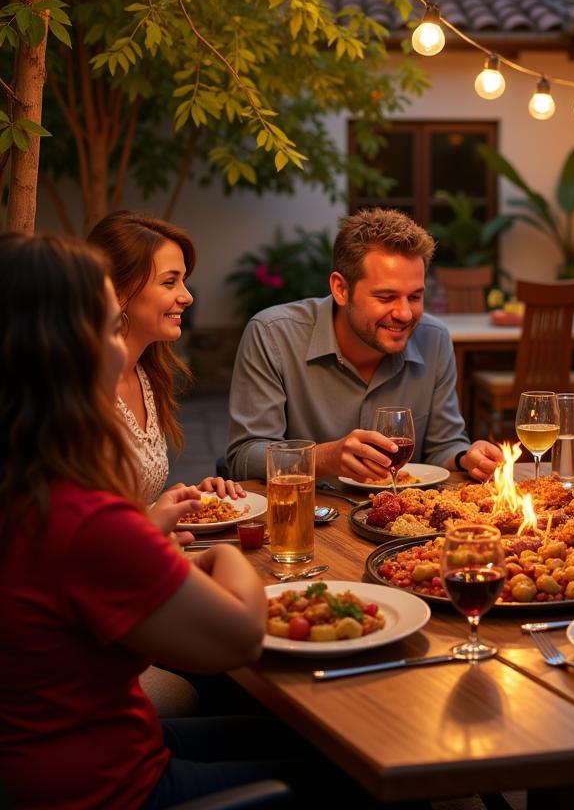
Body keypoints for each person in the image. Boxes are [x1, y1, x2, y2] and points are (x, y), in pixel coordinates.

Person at [0, 232, 285, 809]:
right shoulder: (79, 512)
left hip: (48, 754)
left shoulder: (22, 483)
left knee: (299, 735)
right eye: (107, 327)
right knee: (355, 775)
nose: (118, 346)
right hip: (111, 786)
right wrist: (221, 553)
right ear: (64, 350)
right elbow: (240, 636)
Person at [227, 207, 502, 482]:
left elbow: (444, 445)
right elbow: (245, 456)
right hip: (309, 515)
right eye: (386, 297)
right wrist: (323, 458)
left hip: (400, 518)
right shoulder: (273, 334)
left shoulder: (435, 338)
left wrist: (465, 457)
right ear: (341, 289)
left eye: (415, 296)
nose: (405, 313)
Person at [87, 210, 241, 502]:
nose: (187, 297)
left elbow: (134, 503)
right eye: (170, 282)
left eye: (183, 281)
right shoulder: (80, 389)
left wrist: (182, 498)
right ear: (118, 293)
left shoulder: (146, 374)